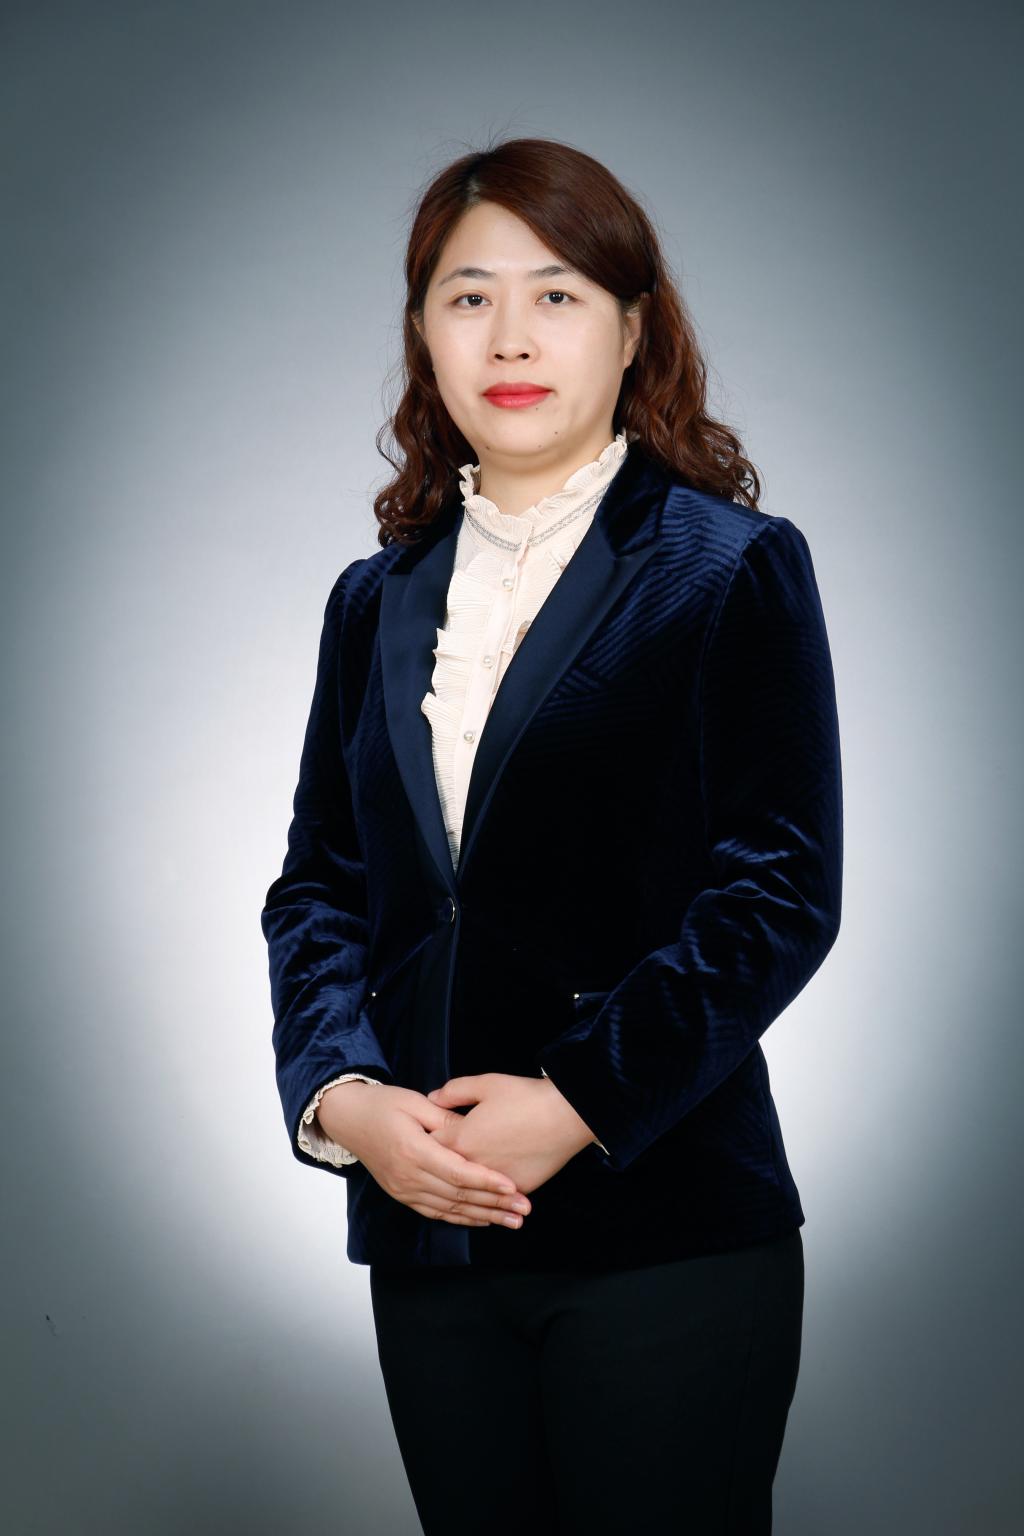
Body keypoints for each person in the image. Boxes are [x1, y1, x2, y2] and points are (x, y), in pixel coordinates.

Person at [261, 135, 843, 1535]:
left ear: (634, 328)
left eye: (559, 295)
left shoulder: (730, 567)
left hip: (666, 1230)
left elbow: (779, 892)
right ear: (423, 332)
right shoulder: (372, 601)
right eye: (468, 297)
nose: (510, 337)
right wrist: (344, 1099)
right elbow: (321, 887)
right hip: (430, 1238)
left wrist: (576, 1101)